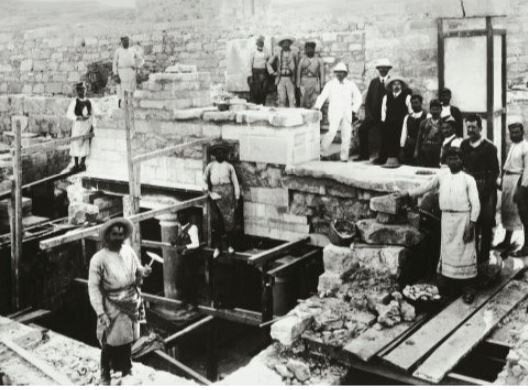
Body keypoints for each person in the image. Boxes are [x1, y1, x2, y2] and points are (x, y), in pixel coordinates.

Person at [398, 141, 480, 303]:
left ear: (462, 160)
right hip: (447, 220)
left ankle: (468, 287)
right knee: (448, 253)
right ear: (446, 160)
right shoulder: (442, 176)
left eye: (456, 158)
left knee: (465, 253)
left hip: (463, 219)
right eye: (450, 158)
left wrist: (471, 223)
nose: (453, 162)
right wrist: (407, 193)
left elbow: (476, 203)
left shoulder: (468, 179)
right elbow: (427, 186)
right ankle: (448, 286)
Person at [88, 218, 152, 385]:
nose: (118, 237)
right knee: (109, 338)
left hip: (129, 300)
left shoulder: (128, 251)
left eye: (121, 234)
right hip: (111, 302)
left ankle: (125, 368)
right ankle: (105, 373)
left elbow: (137, 270)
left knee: (128, 336)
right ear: (108, 236)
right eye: (114, 234)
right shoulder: (98, 259)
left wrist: (143, 272)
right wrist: (100, 311)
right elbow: (93, 288)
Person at [460, 114, 500, 266]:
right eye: (468, 127)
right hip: (469, 186)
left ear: (480, 128)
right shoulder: (464, 145)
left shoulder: (489, 147)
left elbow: (495, 171)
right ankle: (471, 254)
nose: (470, 130)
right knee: (471, 220)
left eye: (473, 127)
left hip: (485, 187)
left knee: (486, 221)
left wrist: (485, 191)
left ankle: (484, 256)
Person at [314, 62, 362, 162]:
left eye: (342, 72)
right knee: (331, 132)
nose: (340, 74)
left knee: (347, 135)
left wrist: (353, 110)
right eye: (338, 72)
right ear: (335, 73)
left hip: (347, 113)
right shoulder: (330, 84)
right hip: (335, 111)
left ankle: (344, 157)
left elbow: (359, 98)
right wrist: (317, 107)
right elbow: (322, 96)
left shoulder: (350, 84)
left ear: (346, 74)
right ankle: (321, 152)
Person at [496, 121, 528, 256]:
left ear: (522, 132)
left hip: (518, 181)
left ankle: (526, 246)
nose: (514, 135)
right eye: (512, 133)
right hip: (508, 181)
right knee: (508, 213)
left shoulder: (525, 147)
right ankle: (507, 240)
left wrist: (522, 188)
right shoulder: (514, 145)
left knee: (523, 215)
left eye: (517, 132)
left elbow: (527, 170)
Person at [204, 143, 241, 259]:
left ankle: (230, 245)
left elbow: (235, 182)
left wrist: (236, 196)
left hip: (227, 195)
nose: (220, 155)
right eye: (217, 153)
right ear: (215, 155)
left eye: (222, 153)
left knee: (229, 221)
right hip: (215, 194)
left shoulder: (229, 167)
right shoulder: (210, 166)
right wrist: (207, 190)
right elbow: (204, 179)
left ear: (224, 154)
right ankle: (217, 247)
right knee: (216, 221)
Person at [355, 58, 392, 161]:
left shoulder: (391, 82)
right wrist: (369, 115)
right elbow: (368, 100)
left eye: (385, 68)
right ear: (378, 69)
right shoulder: (374, 82)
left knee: (385, 132)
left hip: (385, 116)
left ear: (388, 69)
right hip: (373, 116)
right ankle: (364, 155)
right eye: (381, 68)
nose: (383, 70)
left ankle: (382, 157)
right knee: (362, 130)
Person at [376, 76, 412, 167]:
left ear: (401, 86)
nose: (396, 86)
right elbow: (383, 110)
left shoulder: (407, 97)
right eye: (394, 84)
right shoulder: (386, 96)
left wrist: (408, 121)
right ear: (391, 86)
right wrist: (383, 121)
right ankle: (386, 158)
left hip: (401, 123)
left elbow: (410, 110)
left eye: (398, 84)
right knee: (387, 139)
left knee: (399, 140)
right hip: (389, 122)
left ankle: (398, 158)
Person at [171, 209, 201, 306]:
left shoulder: (192, 228)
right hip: (183, 257)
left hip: (190, 258)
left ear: (187, 217)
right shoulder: (181, 228)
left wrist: (185, 247)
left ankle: (193, 303)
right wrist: (175, 242)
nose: (180, 218)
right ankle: (185, 299)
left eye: (182, 215)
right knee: (181, 279)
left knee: (190, 279)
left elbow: (196, 244)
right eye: (179, 215)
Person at [66, 82, 95, 172]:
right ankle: (76, 164)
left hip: (86, 125)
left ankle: (82, 163)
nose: (82, 92)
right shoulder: (75, 101)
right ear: (77, 91)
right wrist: (77, 117)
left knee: (84, 143)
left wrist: (92, 124)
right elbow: (69, 114)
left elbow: (93, 114)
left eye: (83, 90)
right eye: (80, 90)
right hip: (78, 125)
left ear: (85, 90)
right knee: (75, 142)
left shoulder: (89, 102)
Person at [113, 36, 144, 108]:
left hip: (131, 73)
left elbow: (141, 60)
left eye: (127, 41)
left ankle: (131, 104)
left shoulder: (133, 50)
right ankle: (121, 105)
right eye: (124, 41)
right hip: (121, 73)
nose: (126, 43)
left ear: (129, 42)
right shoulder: (118, 51)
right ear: (122, 42)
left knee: (131, 89)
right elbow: (114, 63)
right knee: (121, 90)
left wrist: (136, 65)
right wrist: (115, 74)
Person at [267, 36, 297, 107]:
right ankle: (281, 115)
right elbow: (268, 63)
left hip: (290, 78)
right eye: (284, 43)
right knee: (281, 98)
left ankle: (293, 116)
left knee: (292, 98)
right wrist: (272, 72)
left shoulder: (293, 53)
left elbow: (297, 65)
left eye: (287, 43)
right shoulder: (278, 53)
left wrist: (295, 76)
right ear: (281, 44)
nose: (286, 45)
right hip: (280, 78)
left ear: (290, 44)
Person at [414, 99, 443, 168]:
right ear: (430, 110)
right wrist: (416, 150)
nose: (435, 110)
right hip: (425, 151)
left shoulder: (443, 123)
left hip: (437, 151)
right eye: (433, 108)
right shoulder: (424, 122)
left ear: (441, 110)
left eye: (437, 108)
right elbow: (419, 138)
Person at [399, 94, 426, 165]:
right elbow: (404, 133)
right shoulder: (407, 117)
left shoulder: (427, 116)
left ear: (421, 103)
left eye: (416, 103)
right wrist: (402, 148)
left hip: (422, 145)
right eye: (412, 103)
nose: (414, 105)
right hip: (410, 146)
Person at [297, 41, 325, 109]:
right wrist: (298, 85)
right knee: (304, 101)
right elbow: (298, 73)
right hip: (304, 81)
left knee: (315, 101)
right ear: (305, 50)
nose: (309, 50)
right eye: (307, 48)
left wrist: (321, 85)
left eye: (311, 48)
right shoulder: (302, 60)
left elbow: (322, 73)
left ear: (314, 49)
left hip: (314, 81)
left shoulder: (319, 60)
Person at [248, 36, 270, 105]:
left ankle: (262, 104)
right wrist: (250, 75)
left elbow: (268, 61)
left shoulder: (265, 52)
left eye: (261, 43)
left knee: (263, 90)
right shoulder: (253, 52)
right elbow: (250, 63)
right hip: (255, 73)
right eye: (259, 43)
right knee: (255, 90)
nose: (260, 44)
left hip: (263, 72)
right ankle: (255, 104)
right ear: (257, 44)